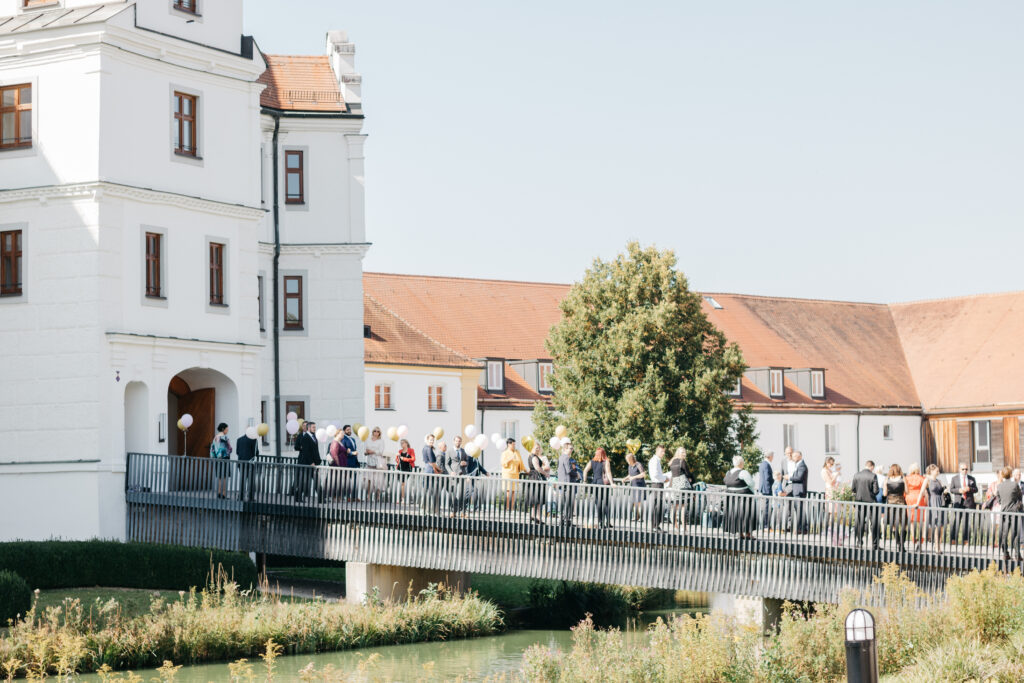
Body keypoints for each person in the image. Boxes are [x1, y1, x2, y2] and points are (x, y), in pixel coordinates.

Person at [994, 466, 1023, 562]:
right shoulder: (1014, 485)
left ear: (1002, 475)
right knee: (1015, 534)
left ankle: (1005, 553)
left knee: (1004, 534)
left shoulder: (999, 486)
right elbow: (1019, 496)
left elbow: (998, 499)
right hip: (1014, 512)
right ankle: (1017, 555)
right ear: (1010, 474)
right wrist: (1017, 505)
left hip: (1004, 512)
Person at [723, 455, 756, 539]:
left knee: (737, 514)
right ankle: (748, 534)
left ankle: (740, 533)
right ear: (741, 463)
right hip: (744, 497)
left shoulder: (728, 472)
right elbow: (751, 484)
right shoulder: (743, 472)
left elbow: (726, 482)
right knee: (747, 514)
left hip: (731, 497)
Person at [852, 460, 880, 549]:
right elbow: (876, 491)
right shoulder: (873, 475)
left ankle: (859, 542)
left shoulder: (856, 475)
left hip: (859, 502)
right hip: (871, 503)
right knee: (874, 523)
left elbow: (853, 489)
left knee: (859, 522)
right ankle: (875, 545)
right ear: (872, 466)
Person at [582, 447, 614, 528]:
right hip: (603, 484)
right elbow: (608, 472)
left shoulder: (592, 461)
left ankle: (600, 522)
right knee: (606, 503)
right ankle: (607, 522)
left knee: (598, 503)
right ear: (604, 453)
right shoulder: (605, 461)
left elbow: (585, 470)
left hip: (595, 484)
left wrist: (585, 481)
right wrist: (612, 483)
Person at [949, 464, 978, 545]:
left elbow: (976, 489)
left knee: (967, 523)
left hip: (968, 503)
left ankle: (966, 540)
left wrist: (970, 489)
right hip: (959, 502)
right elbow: (951, 489)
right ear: (959, 469)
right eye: (963, 469)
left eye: (966, 469)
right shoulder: (954, 478)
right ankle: (953, 539)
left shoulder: (972, 478)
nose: (965, 470)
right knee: (957, 521)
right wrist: (959, 490)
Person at [293, 421, 320, 503]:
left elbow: (315, 450)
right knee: (304, 481)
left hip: (313, 463)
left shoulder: (314, 436)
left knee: (317, 480)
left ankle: (321, 498)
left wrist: (318, 461)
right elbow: (306, 452)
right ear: (308, 428)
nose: (315, 429)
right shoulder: (304, 437)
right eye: (313, 427)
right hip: (306, 462)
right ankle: (298, 496)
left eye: (315, 427)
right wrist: (311, 462)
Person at [668, 447, 694, 529]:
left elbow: (673, 474)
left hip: (675, 485)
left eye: (684, 452)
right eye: (683, 452)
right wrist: (692, 479)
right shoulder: (682, 461)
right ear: (679, 453)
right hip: (682, 485)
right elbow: (687, 473)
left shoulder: (672, 462)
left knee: (674, 506)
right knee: (683, 506)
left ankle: (675, 526)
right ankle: (684, 527)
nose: (684, 454)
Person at [556, 440, 581, 528]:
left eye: (572, 448)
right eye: (570, 448)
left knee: (564, 501)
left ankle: (562, 520)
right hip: (568, 483)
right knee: (569, 502)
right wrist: (577, 474)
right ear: (565, 449)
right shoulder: (566, 458)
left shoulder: (560, 457)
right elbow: (568, 470)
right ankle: (567, 521)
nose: (572, 450)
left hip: (562, 483)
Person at [924, 464, 947, 554]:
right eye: (936, 470)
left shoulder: (939, 481)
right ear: (932, 471)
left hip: (940, 503)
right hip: (933, 503)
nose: (938, 472)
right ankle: (937, 547)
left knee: (941, 527)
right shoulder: (928, 480)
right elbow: (923, 491)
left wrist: (945, 491)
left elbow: (942, 491)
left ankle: (938, 545)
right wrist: (918, 503)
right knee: (936, 526)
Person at [904, 463, 928, 551]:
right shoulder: (923, 479)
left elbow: (905, 490)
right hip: (919, 498)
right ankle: (921, 541)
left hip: (909, 498)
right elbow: (923, 491)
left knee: (911, 521)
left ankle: (914, 539)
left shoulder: (906, 478)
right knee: (921, 521)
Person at [885, 464, 907, 552]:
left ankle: (898, 543)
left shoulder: (887, 479)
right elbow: (907, 491)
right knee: (904, 525)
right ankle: (902, 545)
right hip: (901, 503)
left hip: (891, 504)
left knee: (894, 525)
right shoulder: (903, 478)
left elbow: (884, 493)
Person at [501, 438, 526, 511]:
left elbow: (521, 462)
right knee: (508, 492)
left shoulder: (517, 452)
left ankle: (511, 508)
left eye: (515, 444)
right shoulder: (504, 453)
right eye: (513, 444)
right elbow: (503, 463)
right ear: (509, 444)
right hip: (508, 474)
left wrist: (525, 470)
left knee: (514, 492)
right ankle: (507, 508)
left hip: (515, 474)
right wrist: (510, 459)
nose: (514, 445)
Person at [363, 427, 387, 501]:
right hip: (369, 462)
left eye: (378, 431)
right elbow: (365, 451)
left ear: (379, 433)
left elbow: (380, 451)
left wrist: (372, 451)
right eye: (375, 431)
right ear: (372, 432)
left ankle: (378, 496)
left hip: (377, 463)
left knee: (378, 480)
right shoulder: (368, 440)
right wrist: (367, 452)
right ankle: (368, 496)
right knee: (368, 480)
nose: (376, 432)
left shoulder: (381, 441)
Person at [647, 445, 668, 530]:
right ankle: (655, 526)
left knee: (658, 505)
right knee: (657, 505)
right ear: (657, 451)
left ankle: (656, 525)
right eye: (661, 452)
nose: (663, 453)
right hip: (657, 484)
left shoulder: (656, 460)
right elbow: (655, 474)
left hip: (658, 484)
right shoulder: (654, 461)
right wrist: (665, 478)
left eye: (664, 452)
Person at [235, 427, 259, 501]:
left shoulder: (239, 439)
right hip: (250, 463)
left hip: (241, 462)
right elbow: (256, 453)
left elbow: (237, 451)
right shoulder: (254, 440)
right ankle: (250, 497)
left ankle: (241, 496)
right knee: (251, 480)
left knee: (242, 479)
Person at [421, 433, 443, 513]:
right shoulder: (428, 448)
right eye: (430, 440)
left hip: (427, 469)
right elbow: (432, 462)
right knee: (430, 490)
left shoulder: (425, 448)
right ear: (427, 440)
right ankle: (428, 509)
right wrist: (439, 470)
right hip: (430, 470)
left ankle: (425, 509)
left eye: (433, 440)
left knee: (427, 490)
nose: (432, 441)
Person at [210, 422, 232, 499]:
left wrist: (214, 457)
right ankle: (224, 494)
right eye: (226, 429)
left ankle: (219, 493)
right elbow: (229, 449)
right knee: (225, 477)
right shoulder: (225, 438)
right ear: (223, 429)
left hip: (217, 459)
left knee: (219, 477)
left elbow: (212, 450)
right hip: (225, 459)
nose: (227, 431)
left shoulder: (215, 438)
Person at [788, 451, 809, 533]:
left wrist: (789, 477)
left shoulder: (802, 466)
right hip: (797, 491)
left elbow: (799, 477)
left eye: (794, 456)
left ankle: (802, 528)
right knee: (799, 510)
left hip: (799, 491)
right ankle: (802, 528)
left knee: (800, 511)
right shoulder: (799, 465)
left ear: (799, 456)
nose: (793, 458)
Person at [526, 445, 547, 524]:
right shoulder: (534, 457)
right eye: (536, 448)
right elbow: (537, 468)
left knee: (535, 497)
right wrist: (546, 474)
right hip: (536, 478)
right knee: (538, 498)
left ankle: (533, 515)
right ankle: (537, 517)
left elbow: (531, 468)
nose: (538, 449)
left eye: (538, 448)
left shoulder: (530, 456)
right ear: (532, 448)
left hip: (532, 477)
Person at [624, 452, 647, 523]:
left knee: (639, 502)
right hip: (633, 485)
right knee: (634, 502)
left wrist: (634, 477)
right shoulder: (629, 466)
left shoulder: (638, 464)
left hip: (640, 485)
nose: (627, 461)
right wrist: (625, 478)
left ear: (631, 459)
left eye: (627, 460)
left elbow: (643, 474)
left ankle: (641, 517)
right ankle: (635, 516)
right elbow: (630, 475)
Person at [396, 438, 415, 503]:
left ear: (406, 443)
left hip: (407, 469)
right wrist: (397, 456)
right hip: (400, 468)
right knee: (401, 484)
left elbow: (413, 459)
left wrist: (404, 458)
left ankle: (405, 498)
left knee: (404, 484)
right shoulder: (400, 451)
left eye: (403, 443)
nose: (402, 444)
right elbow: (397, 461)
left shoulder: (411, 450)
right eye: (401, 443)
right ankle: (401, 498)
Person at [758, 452, 774, 530]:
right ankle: (766, 525)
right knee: (767, 508)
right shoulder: (767, 465)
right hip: (767, 489)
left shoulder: (762, 464)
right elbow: (768, 478)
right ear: (770, 456)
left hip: (763, 489)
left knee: (765, 507)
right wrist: (773, 481)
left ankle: (764, 525)